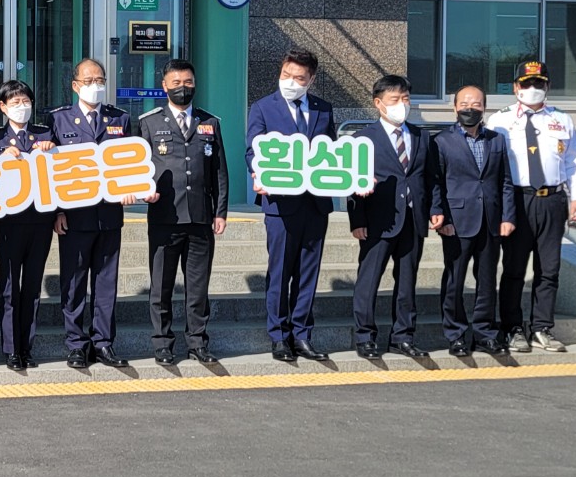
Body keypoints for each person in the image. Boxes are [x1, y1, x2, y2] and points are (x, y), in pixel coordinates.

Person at [489, 60, 576, 353]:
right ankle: (512, 327)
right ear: (515, 87)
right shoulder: (499, 121)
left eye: (539, 83)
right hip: (518, 200)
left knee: (549, 269)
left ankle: (542, 327)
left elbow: (573, 162)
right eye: (527, 83)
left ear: (548, 86)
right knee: (514, 268)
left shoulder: (562, 119)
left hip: (553, 200)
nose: (533, 88)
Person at [246, 49, 335, 363]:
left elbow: (333, 152)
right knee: (280, 271)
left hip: (316, 203)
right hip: (280, 204)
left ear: (311, 79)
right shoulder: (262, 107)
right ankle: (279, 336)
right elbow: (252, 150)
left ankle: (302, 335)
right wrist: (258, 172)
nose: (291, 82)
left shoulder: (323, 109)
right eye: (286, 75)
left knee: (308, 273)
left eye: (299, 78)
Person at [137, 60, 227, 365]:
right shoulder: (149, 123)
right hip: (165, 217)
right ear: (164, 86)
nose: (183, 88)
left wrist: (221, 211)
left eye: (188, 82)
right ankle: (162, 343)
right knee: (161, 286)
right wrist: (143, 191)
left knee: (198, 286)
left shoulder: (209, 122)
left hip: (201, 217)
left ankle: (197, 342)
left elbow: (219, 171)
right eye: (176, 83)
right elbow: (139, 168)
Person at [47, 58, 134, 369]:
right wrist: (57, 211)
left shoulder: (120, 118)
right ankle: (76, 344)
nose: (95, 85)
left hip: (109, 215)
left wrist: (130, 187)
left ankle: (103, 343)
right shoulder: (58, 120)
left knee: (106, 282)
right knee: (73, 282)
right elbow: (50, 171)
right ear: (75, 86)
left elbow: (129, 162)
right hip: (74, 216)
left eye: (100, 80)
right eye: (88, 81)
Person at [346, 75, 436, 360]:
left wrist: (435, 210)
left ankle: (403, 337)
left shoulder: (421, 136)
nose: (401, 104)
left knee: (407, 281)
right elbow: (352, 182)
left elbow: (430, 178)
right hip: (378, 220)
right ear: (379, 103)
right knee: (369, 280)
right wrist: (357, 220)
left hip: (413, 218)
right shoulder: (362, 139)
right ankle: (364, 337)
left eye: (405, 99)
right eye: (395, 100)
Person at [430, 85, 515, 357]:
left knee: (487, 280)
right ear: (455, 108)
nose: (470, 108)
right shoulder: (441, 141)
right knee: (454, 280)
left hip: (491, 220)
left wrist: (507, 216)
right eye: (465, 104)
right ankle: (455, 334)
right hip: (457, 221)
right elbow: (436, 183)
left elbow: (505, 181)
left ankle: (485, 333)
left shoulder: (496, 140)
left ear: (484, 108)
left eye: (476, 104)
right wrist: (440, 214)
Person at [0, 80, 56, 371]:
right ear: (3, 107)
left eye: (26, 101)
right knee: (9, 285)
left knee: (32, 285)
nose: (21, 106)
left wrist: (52, 151)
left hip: (41, 220)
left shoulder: (45, 134)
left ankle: (27, 346)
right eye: (15, 102)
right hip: (9, 223)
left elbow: (60, 177)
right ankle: (11, 348)